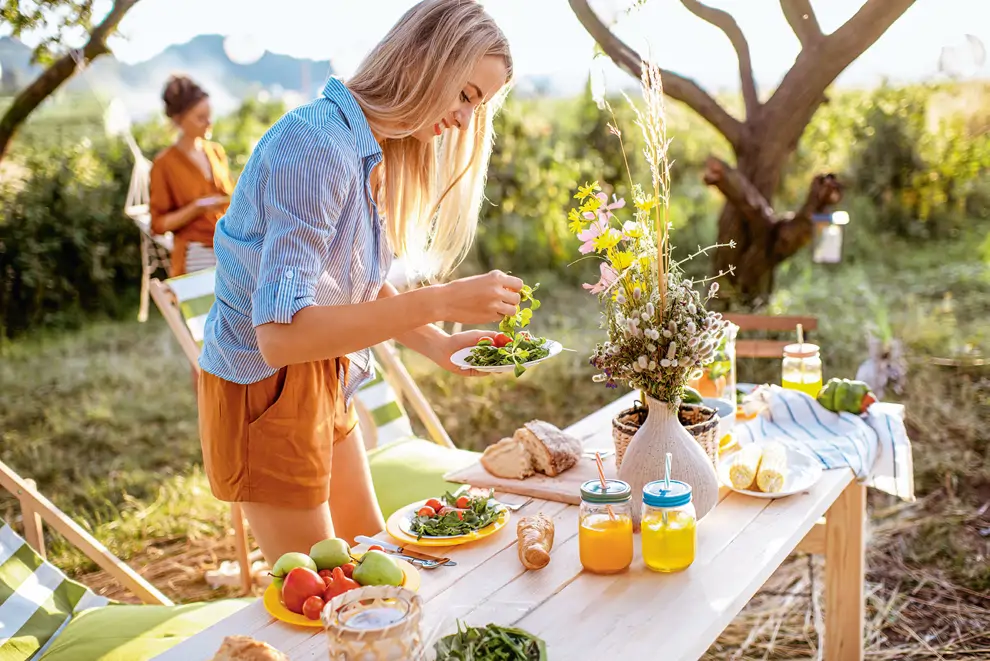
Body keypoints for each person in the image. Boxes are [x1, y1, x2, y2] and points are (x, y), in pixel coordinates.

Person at [197, 0, 517, 564]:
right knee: (327, 599)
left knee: (377, 557)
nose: (466, 120)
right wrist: (439, 300)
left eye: (479, 105)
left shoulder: (369, 146)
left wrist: (437, 343)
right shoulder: (316, 145)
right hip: (267, 388)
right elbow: (281, 334)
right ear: (423, 60)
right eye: (466, 94)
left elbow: (353, 284)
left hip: (326, 370)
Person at [149, 75, 233, 276]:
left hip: (229, 250)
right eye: (200, 117)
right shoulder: (164, 164)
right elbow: (158, 225)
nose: (208, 123)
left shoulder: (216, 152)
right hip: (195, 255)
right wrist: (195, 208)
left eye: (209, 115)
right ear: (179, 120)